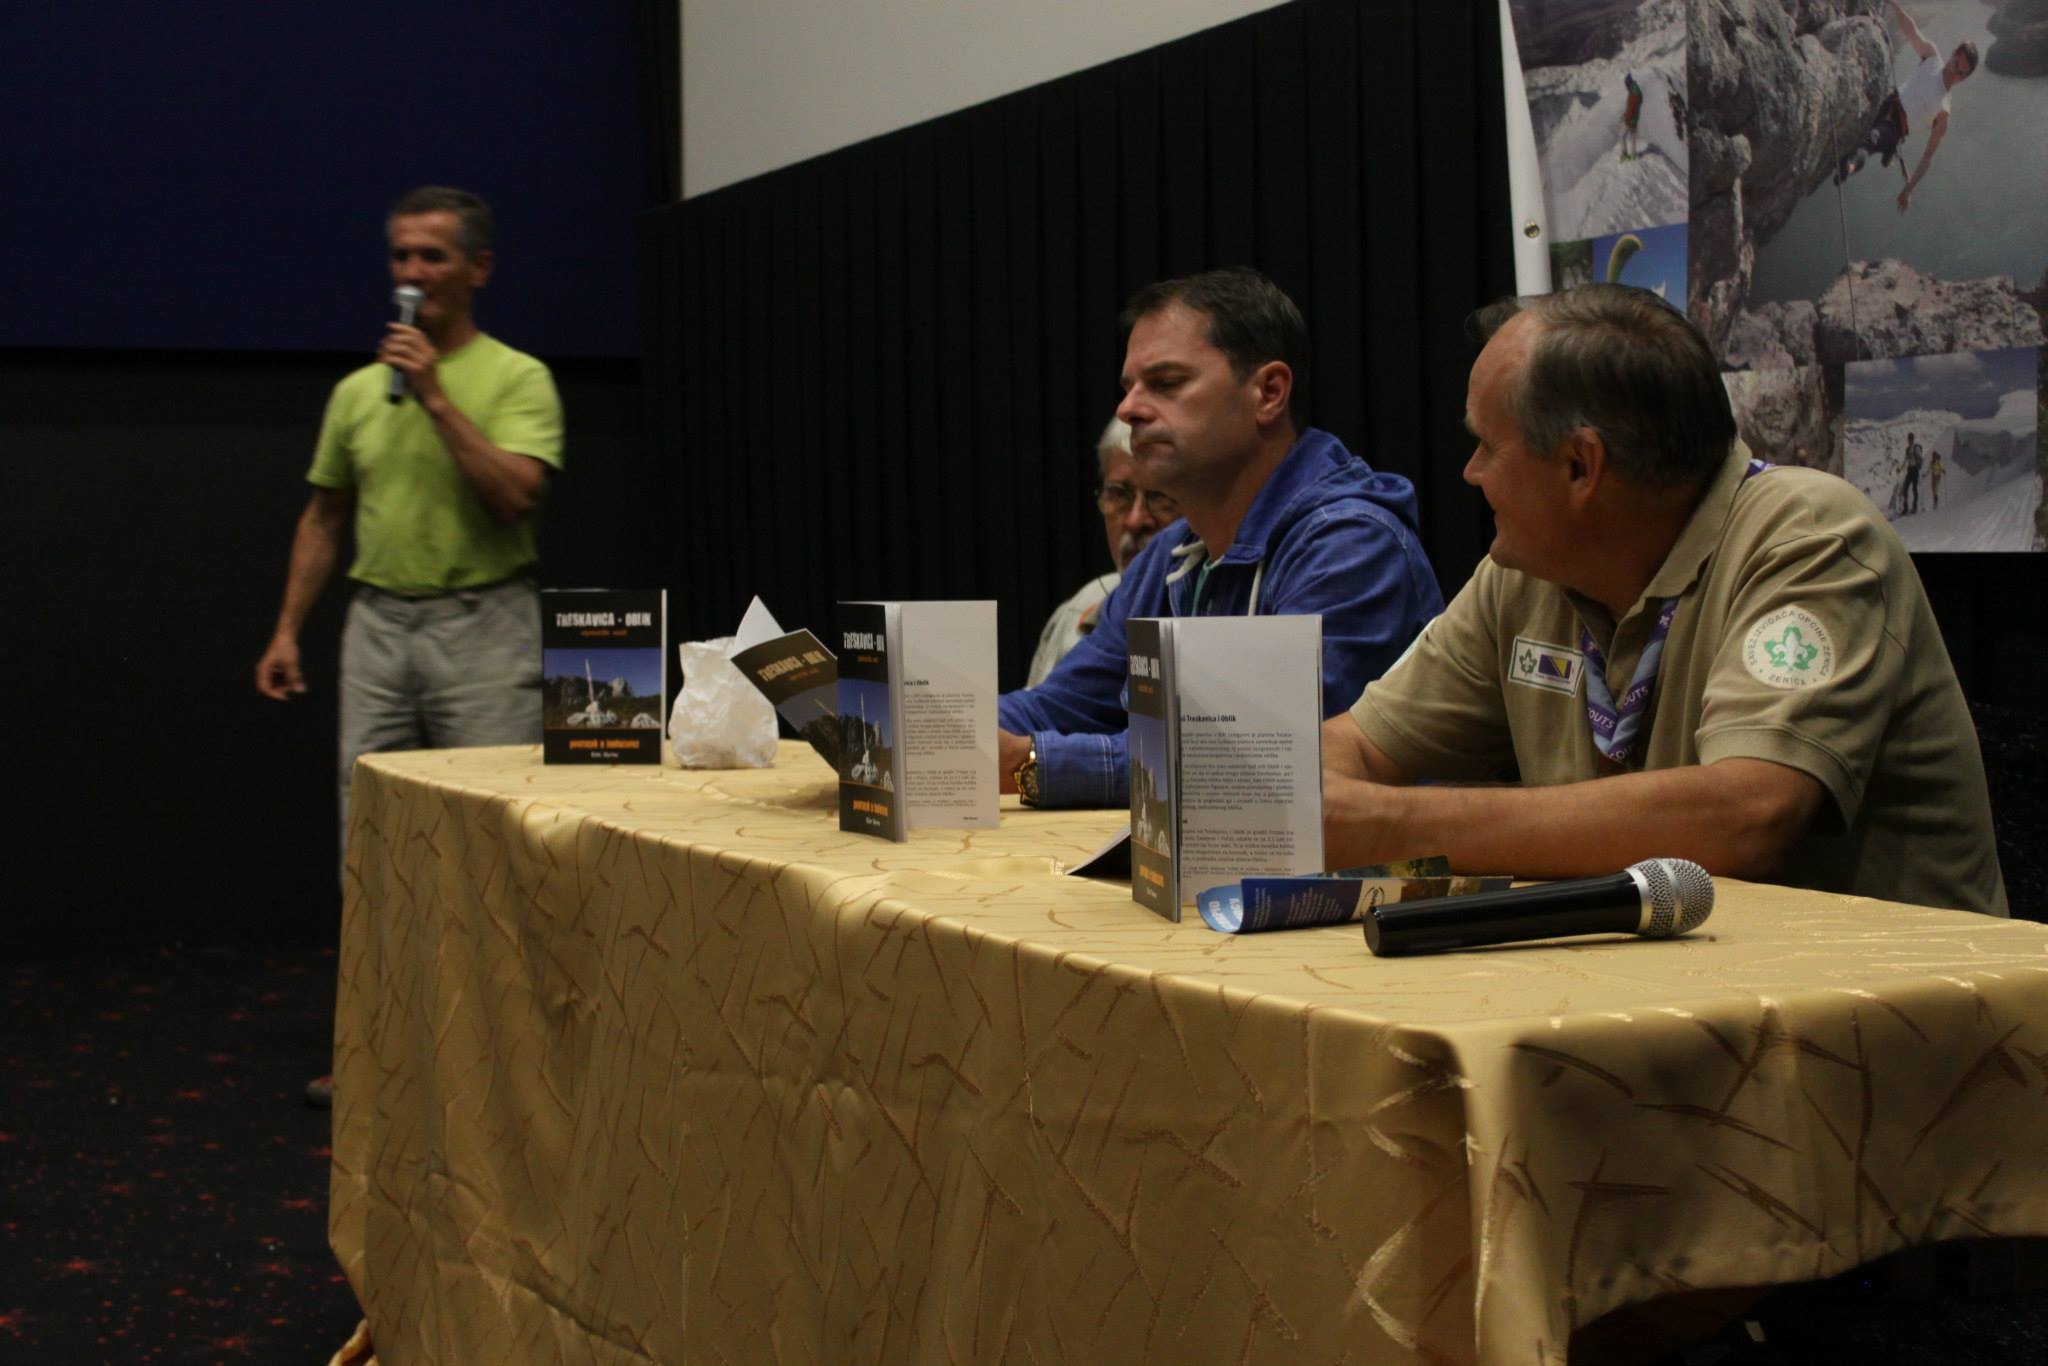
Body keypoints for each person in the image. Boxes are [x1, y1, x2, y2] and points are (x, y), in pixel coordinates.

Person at [1323, 283, 2006, 917]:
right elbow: (1356, 746)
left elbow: (1749, 814)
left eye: (1486, 445)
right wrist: (1311, 794)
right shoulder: (1528, 568)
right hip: (1654, 988)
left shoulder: (1811, 535)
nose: (1470, 473)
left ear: (1580, 466)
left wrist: (1385, 824)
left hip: (1885, 998)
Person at [256, 187, 566, 1103]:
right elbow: (324, 516)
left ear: (478, 268)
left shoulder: (517, 378)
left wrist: (433, 395)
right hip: (379, 629)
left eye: (433, 256)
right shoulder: (358, 392)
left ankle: (502, 1065)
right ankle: (381, 1053)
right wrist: (286, 629)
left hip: (485, 624)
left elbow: (515, 497)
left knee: (495, 838)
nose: (413, 274)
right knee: (371, 842)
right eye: (401, 256)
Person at [999, 267, 1443, 808]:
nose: (1128, 408)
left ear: (1269, 392)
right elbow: (1058, 706)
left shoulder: (1349, 546)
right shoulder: (1172, 552)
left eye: (1166, 383)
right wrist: (945, 730)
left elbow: (1265, 761)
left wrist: (1032, 761)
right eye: (1128, 387)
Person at [1026, 418, 1175, 687]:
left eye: (1158, 495)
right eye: (1119, 495)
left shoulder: (1222, 614)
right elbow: (1039, 705)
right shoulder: (1078, 609)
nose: (1135, 521)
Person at [1834, 0, 1977, 215]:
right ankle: (1860, 159)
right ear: (1954, 53)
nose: (1954, 73)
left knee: (1872, 140)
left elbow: (1927, 158)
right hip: (1886, 102)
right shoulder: (1931, 57)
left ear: (1964, 79)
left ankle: (1850, 167)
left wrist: (1908, 189)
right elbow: (1911, 29)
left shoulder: (1943, 112)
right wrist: (1892, 4)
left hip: (1895, 128)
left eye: (1960, 74)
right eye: (1956, 64)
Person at [1621, 72, 1644, 162]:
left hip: (1630, 119)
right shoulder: (1637, 92)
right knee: (1633, 136)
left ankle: (1624, 154)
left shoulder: (1632, 94)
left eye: (1626, 84)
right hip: (1635, 119)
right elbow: (1636, 106)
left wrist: (1626, 116)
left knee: (1623, 136)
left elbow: (1631, 108)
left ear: (1628, 83)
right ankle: (1633, 155)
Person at [1902, 431, 1923, 514]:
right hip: (1910, 469)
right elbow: (1906, 460)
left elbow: (1921, 458)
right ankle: (1906, 507)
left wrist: (1919, 465)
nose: (1910, 440)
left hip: (1915, 469)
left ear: (1913, 439)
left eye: (1911, 438)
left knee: (1914, 488)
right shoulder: (1907, 449)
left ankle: (1914, 507)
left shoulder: (1916, 448)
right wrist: (1900, 469)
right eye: (1909, 438)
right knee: (1905, 488)